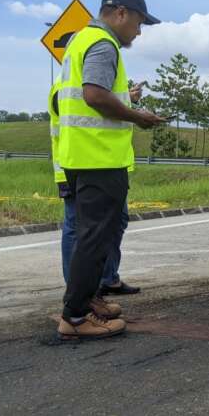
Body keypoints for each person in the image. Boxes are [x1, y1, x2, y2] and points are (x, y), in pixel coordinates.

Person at [55, 0, 165, 339]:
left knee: (93, 235)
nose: (139, 30)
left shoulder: (82, 40)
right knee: (93, 238)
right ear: (120, 13)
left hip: (82, 156)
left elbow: (92, 95)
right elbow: (94, 95)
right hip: (98, 158)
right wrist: (137, 116)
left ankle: (87, 302)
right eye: (138, 21)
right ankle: (74, 317)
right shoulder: (104, 44)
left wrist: (125, 102)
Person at [49, 77, 139, 297]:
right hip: (76, 167)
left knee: (116, 221)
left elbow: (103, 117)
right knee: (76, 227)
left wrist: (127, 99)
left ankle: (108, 278)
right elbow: (96, 112)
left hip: (106, 165)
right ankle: (77, 291)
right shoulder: (66, 88)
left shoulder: (93, 86)